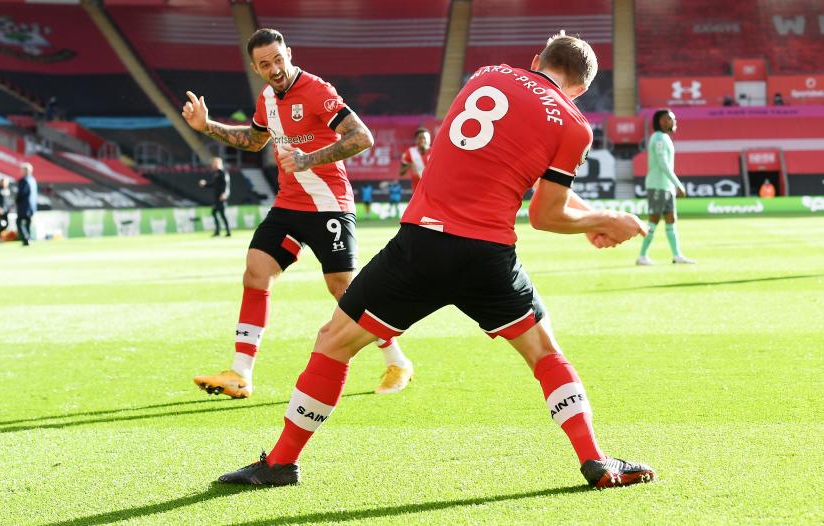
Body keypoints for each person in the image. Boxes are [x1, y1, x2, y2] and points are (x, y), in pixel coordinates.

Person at [217, 32, 656, 490]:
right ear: (580, 89)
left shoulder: (488, 75)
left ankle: (281, 463)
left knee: (333, 343)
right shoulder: (574, 124)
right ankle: (595, 461)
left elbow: (506, 158)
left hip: (422, 246)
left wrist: (592, 219)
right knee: (545, 354)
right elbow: (546, 214)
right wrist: (606, 219)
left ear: (535, 60)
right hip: (488, 258)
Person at [181, 28, 413, 398]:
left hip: (328, 204)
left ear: (289, 52)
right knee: (256, 272)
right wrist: (207, 126)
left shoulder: (318, 91)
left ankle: (397, 361)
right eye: (264, 64)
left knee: (344, 290)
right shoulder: (267, 100)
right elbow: (255, 140)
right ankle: (241, 374)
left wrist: (308, 159)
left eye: (278, 59)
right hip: (288, 205)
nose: (274, 68)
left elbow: (361, 137)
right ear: (256, 68)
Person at [636, 109, 696, 265]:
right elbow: (663, 164)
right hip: (658, 185)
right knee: (654, 220)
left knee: (671, 219)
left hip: (666, 186)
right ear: (661, 121)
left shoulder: (664, 138)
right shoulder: (659, 138)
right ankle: (642, 256)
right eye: (670, 119)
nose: (673, 121)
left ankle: (677, 255)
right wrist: (678, 184)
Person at [199, 156, 231, 237]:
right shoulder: (217, 173)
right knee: (217, 213)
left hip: (221, 197)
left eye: (214, 163)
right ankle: (221, 231)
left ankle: (225, 231)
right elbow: (214, 184)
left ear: (218, 163)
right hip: (217, 197)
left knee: (220, 214)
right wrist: (205, 184)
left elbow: (226, 185)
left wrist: (225, 194)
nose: (212, 165)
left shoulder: (223, 172)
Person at [399, 127, 431, 192]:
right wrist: (410, 165)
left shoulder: (434, 152)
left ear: (429, 140)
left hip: (432, 188)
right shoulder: (410, 152)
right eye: (420, 138)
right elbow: (401, 172)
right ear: (416, 140)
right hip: (417, 190)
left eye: (424, 138)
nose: (422, 140)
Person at [15, 163, 37, 246]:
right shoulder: (33, 180)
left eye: (22, 170)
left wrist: (16, 201)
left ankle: (26, 238)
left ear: (25, 171)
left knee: (19, 222)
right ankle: (28, 238)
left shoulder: (24, 180)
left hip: (24, 206)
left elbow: (21, 193)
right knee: (27, 223)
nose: (21, 171)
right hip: (32, 206)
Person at [0, 177, 12, 242]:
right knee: (2, 223)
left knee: (6, 223)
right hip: (0, 210)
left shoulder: (8, 189)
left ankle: (2, 237)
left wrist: (10, 208)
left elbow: (9, 200)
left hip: (6, 210)